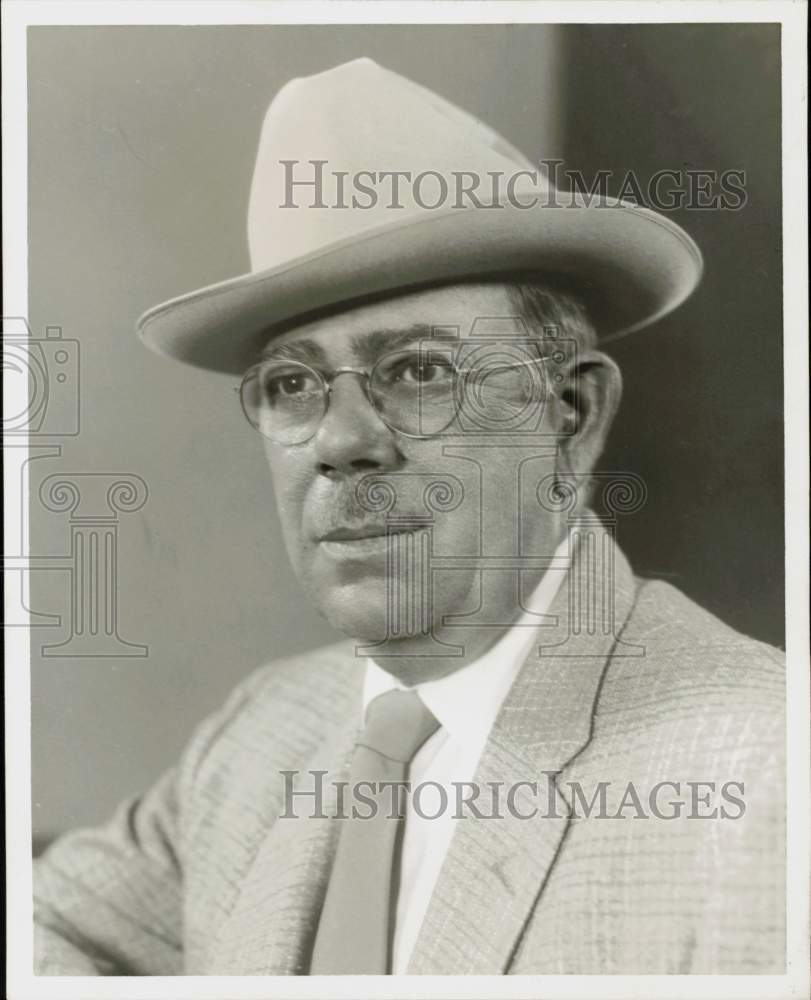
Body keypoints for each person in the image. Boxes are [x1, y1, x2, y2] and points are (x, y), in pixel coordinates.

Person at [34, 57, 784, 976]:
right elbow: (42, 929)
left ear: (570, 415)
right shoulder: (265, 729)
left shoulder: (766, 780)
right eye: (292, 384)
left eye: (421, 370)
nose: (341, 441)